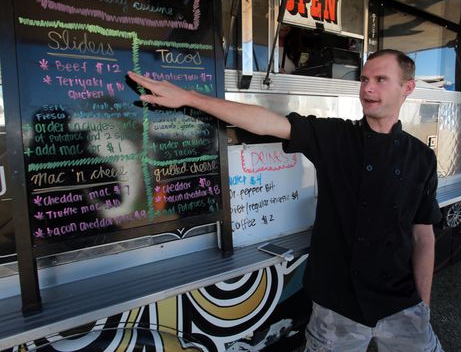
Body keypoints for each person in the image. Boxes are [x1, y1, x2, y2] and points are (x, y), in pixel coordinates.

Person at [127, 48, 444, 351]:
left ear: (407, 88)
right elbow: (265, 122)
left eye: (380, 80)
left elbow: (423, 235)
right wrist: (189, 98)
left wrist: (424, 306)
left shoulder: (422, 158)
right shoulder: (335, 136)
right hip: (338, 307)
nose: (367, 88)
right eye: (364, 79)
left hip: (402, 304)